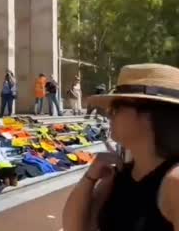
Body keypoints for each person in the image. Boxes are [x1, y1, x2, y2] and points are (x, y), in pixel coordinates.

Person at [63, 63, 179, 231]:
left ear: (148, 115)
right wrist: (89, 179)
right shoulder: (117, 175)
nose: (109, 114)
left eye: (116, 107)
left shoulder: (174, 183)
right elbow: (75, 228)